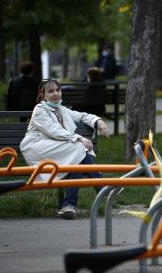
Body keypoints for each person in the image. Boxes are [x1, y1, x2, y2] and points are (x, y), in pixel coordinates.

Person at [20, 78, 110, 220]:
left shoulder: (61, 109)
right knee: (77, 148)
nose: (56, 94)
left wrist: (98, 121)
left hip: (59, 148)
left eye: (58, 90)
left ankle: (69, 205)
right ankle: (102, 188)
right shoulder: (40, 110)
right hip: (37, 148)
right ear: (43, 95)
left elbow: (82, 116)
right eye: (51, 91)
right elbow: (53, 131)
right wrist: (78, 138)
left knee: (76, 155)